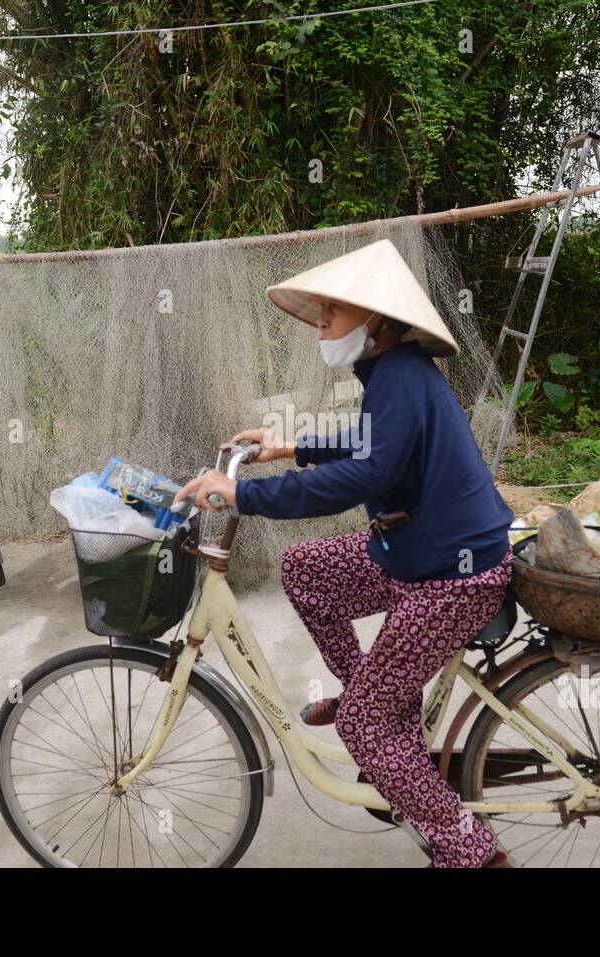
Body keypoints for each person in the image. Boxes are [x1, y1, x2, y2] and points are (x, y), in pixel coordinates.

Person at [173, 239, 515, 868]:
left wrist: (245, 494)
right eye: (323, 311)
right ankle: (378, 700)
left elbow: (366, 475)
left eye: (334, 311)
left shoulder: (405, 377)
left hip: (453, 576)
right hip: (417, 552)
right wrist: (288, 449)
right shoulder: (391, 374)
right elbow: (369, 443)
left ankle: (472, 850)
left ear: (378, 320)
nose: (322, 323)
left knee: (362, 728)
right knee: (306, 571)